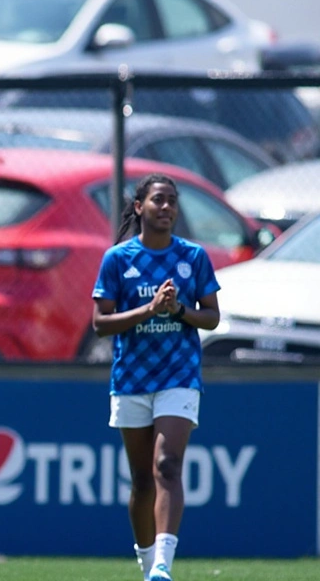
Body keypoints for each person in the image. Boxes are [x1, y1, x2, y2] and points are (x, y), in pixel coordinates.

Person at [91, 174, 220, 581]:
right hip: (131, 379)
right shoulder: (117, 259)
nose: (166, 208)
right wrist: (150, 311)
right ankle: (149, 568)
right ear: (139, 207)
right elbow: (100, 323)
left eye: (172, 201)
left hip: (179, 375)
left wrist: (178, 311)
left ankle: (163, 564)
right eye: (158, 200)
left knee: (167, 465)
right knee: (142, 480)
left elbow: (212, 317)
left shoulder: (194, 256)